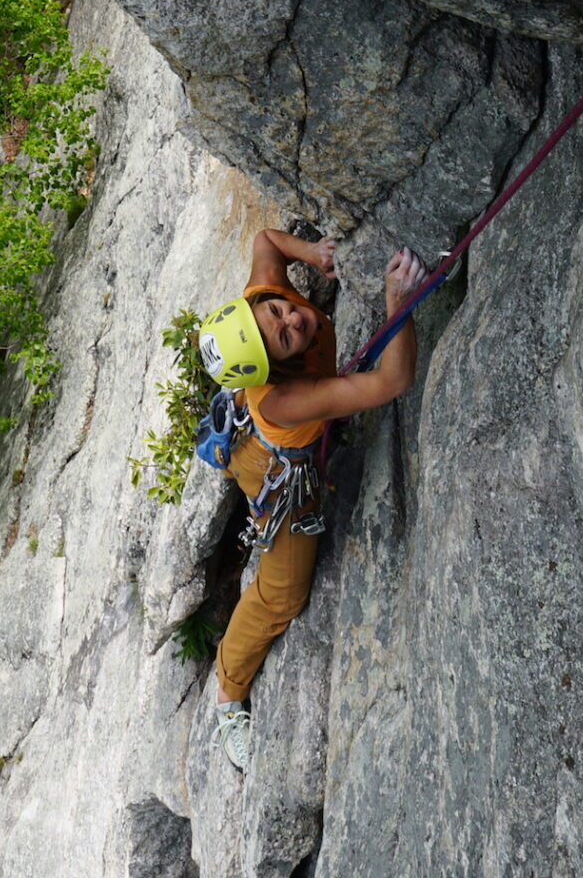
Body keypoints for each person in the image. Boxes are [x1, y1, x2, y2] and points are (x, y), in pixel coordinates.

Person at [196, 229, 429, 771]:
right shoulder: (284, 397)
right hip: (274, 466)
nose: (290, 320)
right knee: (284, 595)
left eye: (278, 311)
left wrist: (314, 255)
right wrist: (399, 305)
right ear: (270, 366)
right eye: (281, 337)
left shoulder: (260, 300)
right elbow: (394, 379)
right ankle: (228, 693)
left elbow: (263, 242)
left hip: (265, 438)